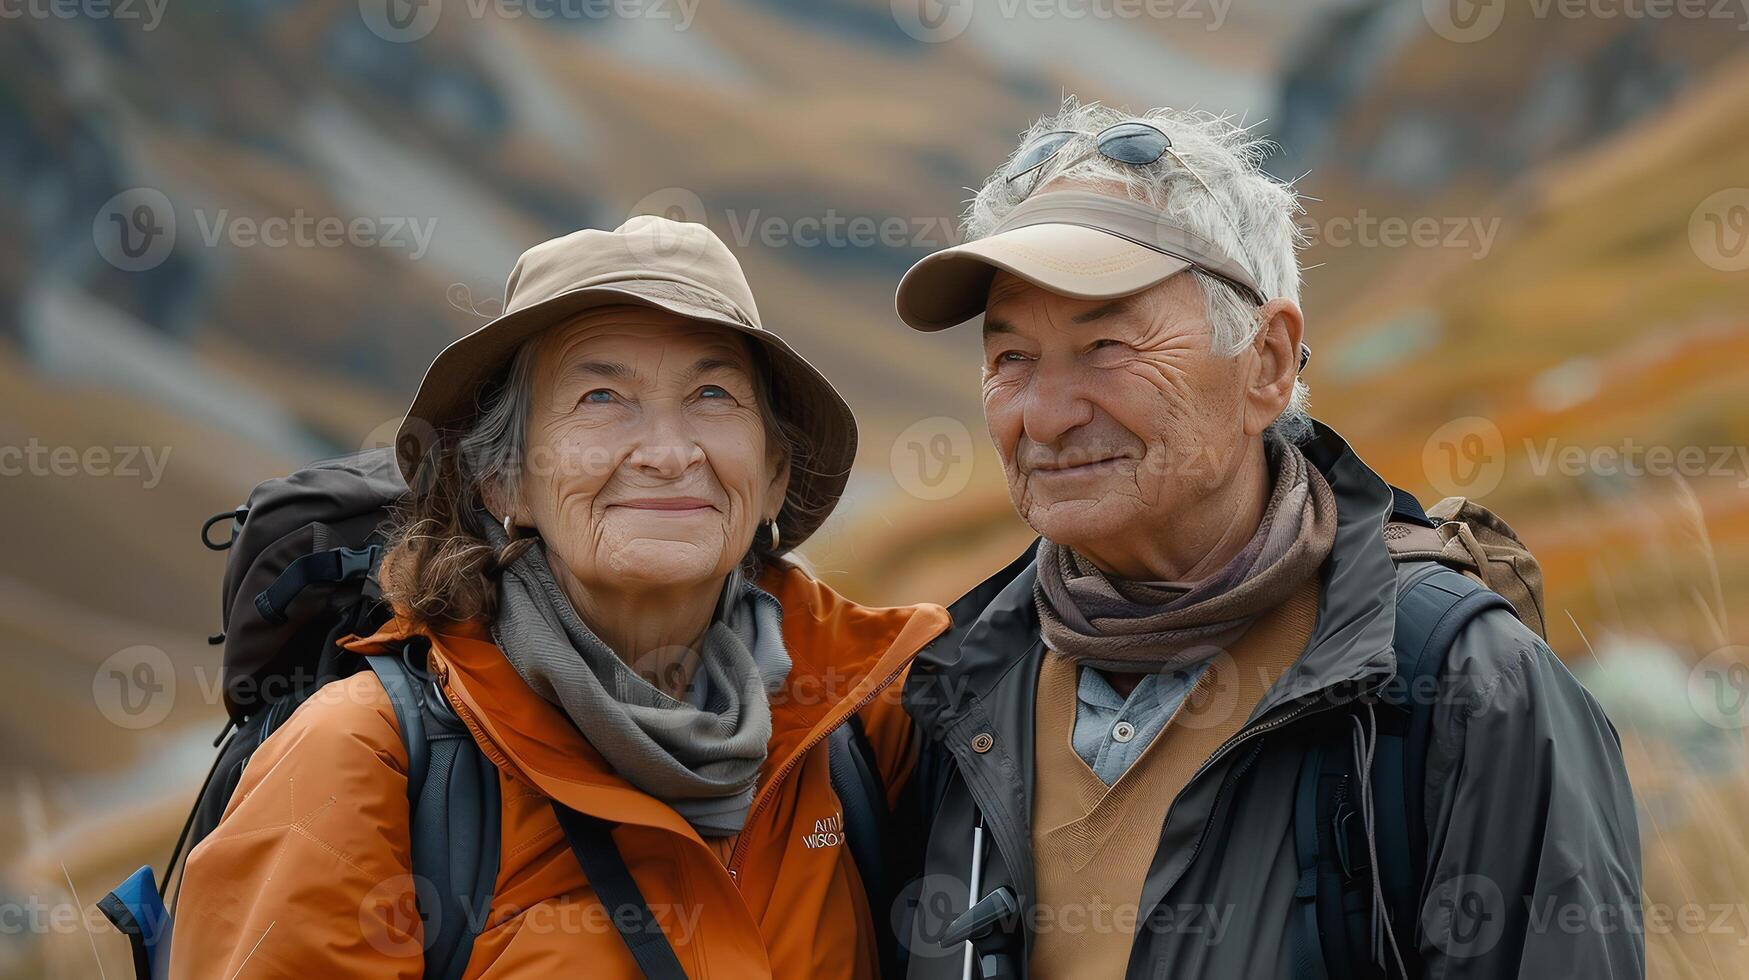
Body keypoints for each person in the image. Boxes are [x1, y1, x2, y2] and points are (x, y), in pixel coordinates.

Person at [889, 102, 1643, 978]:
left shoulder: (1461, 690)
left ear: (1267, 363)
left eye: (1104, 344)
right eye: (1009, 358)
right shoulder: (948, 695)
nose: (1045, 416)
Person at [170, 216, 950, 978]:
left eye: (713, 394)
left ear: (774, 475)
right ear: (505, 478)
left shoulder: (867, 730)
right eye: (601, 398)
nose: (669, 453)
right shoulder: (362, 762)